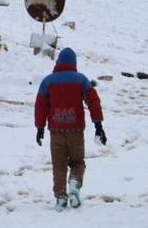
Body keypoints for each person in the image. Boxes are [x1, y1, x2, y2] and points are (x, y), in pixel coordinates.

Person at [34, 47, 107, 212]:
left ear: (58, 62)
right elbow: (93, 102)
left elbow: (40, 106)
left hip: (56, 132)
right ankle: (74, 184)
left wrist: (40, 128)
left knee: (58, 165)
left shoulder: (48, 81)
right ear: (74, 63)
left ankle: (60, 197)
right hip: (76, 131)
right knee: (77, 162)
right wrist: (98, 126)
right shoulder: (81, 80)